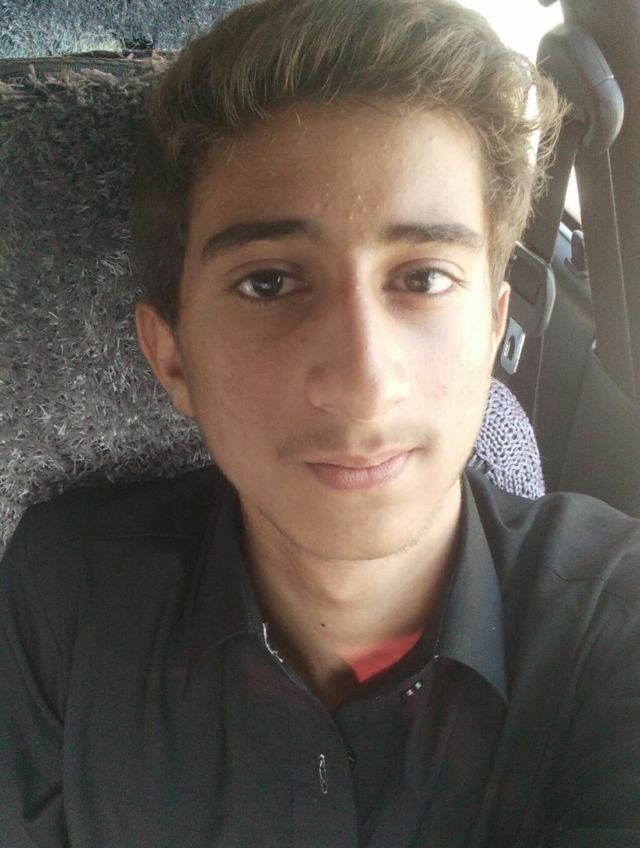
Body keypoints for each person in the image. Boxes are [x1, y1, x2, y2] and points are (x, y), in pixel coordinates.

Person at [1, 0, 638, 845]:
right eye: (268, 283)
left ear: (493, 330)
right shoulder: (64, 601)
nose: (363, 387)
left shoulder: (616, 629)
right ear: (174, 358)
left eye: (422, 279)